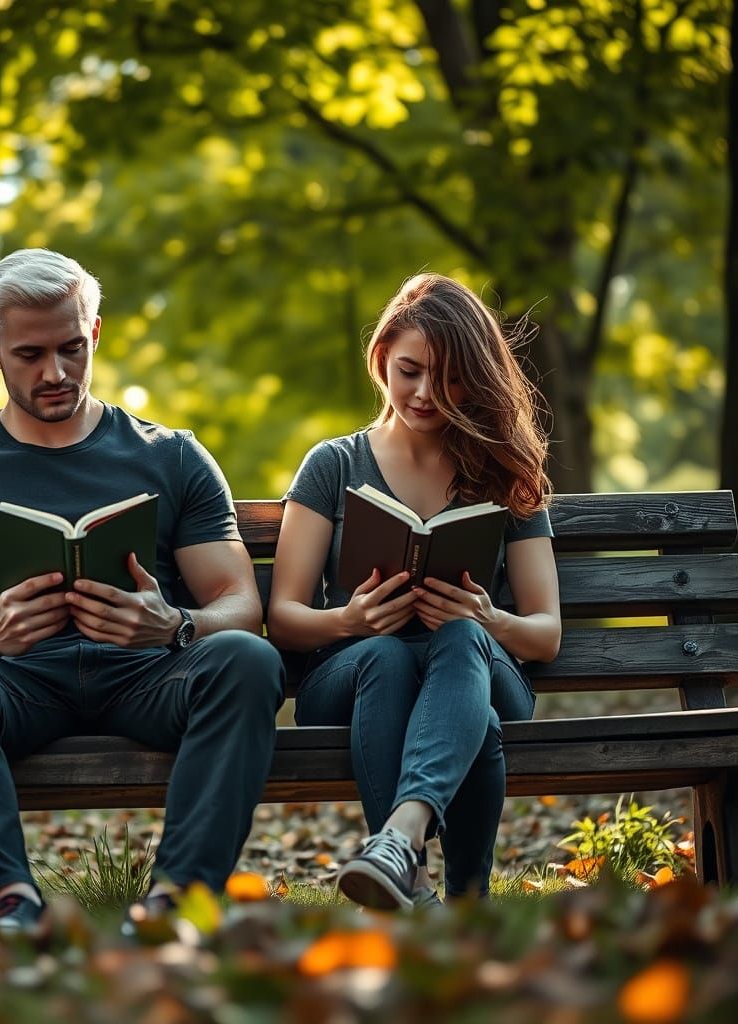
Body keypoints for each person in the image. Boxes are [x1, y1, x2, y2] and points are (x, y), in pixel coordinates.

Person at [0, 248, 285, 931]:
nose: (56, 372)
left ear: (94, 332)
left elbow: (240, 605)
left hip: (146, 680)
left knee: (249, 659)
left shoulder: (171, 455)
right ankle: (9, 904)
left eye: (72, 348)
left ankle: (175, 902)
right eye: (31, 354)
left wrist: (172, 626)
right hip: (16, 686)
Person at [267, 273, 561, 910]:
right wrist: (351, 621)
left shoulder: (504, 470)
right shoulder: (334, 465)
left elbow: (545, 632)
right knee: (389, 656)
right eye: (409, 371)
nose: (427, 393)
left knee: (460, 638)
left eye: (451, 377)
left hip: (477, 666)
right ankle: (463, 898)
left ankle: (401, 850)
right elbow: (284, 618)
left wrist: (489, 619)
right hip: (354, 677)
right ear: (381, 360)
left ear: (477, 378)